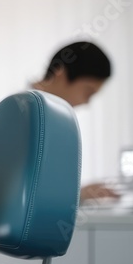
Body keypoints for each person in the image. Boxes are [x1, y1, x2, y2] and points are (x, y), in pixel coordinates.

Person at [31, 40, 117, 201]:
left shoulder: (42, 112)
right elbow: (24, 193)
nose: (86, 102)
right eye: (88, 91)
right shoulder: (29, 113)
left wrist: (79, 193)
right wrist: (79, 194)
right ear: (60, 74)